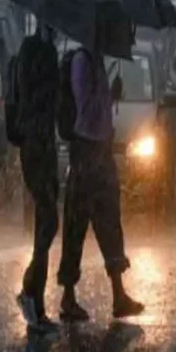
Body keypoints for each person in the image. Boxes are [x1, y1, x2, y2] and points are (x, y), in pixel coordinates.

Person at [57, 22, 143, 321]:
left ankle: (119, 295)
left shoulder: (96, 63)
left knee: (109, 222)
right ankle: (68, 297)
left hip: (101, 151)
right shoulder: (82, 62)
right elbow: (85, 110)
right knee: (76, 225)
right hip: (87, 151)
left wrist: (112, 94)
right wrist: (104, 96)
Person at [14, 25, 60, 331]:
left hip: (39, 146)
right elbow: (42, 102)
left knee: (46, 221)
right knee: (47, 221)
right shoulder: (40, 56)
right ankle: (31, 293)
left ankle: (35, 298)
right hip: (38, 146)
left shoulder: (27, 54)